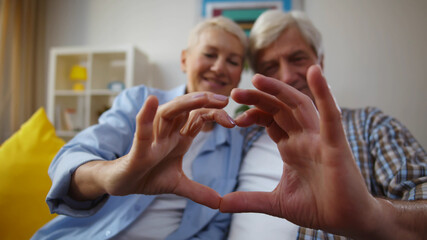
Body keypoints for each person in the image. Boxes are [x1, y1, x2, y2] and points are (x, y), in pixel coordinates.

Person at [32, 16, 249, 239]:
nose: (219, 67)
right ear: (184, 60)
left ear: (239, 75)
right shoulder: (141, 102)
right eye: (209, 54)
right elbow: (70, 159)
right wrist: (112, 175)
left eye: (232, 61)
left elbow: (215, 228)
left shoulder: (237, 142)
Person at [222, 10, 427, 239]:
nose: (287, 76)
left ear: (321, 61)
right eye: (270, 67)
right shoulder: (243, 136)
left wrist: (372, 214)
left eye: (297, 58)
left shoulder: (371, 126)